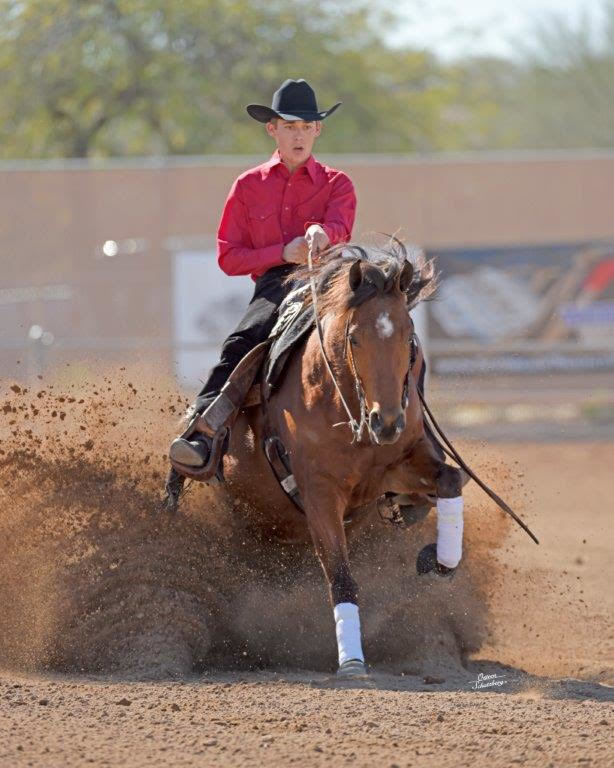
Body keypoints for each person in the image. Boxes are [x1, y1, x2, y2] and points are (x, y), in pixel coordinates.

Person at [168, 78, 357, 476]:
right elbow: (229, 256)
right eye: (289, 126)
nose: (298, 135)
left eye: (306, 126)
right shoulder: (248, 186)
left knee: (382, 332)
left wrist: (322, 233)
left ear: (318, 130)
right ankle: (202, 432)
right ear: (272, 129)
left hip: (329, 278)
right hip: (276, 284)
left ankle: (413, 440)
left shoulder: (338, 183)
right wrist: (281, 253)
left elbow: (340, 226)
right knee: (242, 342)